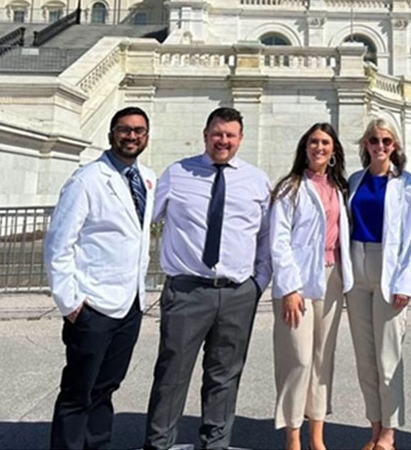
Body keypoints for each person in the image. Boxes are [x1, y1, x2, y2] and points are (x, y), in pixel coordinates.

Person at [144, 106, 272, 450]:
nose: (223, 141)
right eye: (217, 134)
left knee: (224, 376)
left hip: (236, 293)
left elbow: (265, 237)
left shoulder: (256, 180)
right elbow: (142, 223)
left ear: (241, 139)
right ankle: (159, 444)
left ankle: (215, 444)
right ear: (205, 135)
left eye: (230, 135)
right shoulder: (177, 173)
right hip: (188, 290)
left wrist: (258, 283)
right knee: (172, 375)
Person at [45, 106, 155, 450]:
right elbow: (58, 244)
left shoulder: (147, 179)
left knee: (106, 389)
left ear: (147, 137)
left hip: (129, 304)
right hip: (92, 306)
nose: (131, 136)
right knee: (78, 391)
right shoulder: (87, 179)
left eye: (138, 130)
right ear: (111, 134)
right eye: (124, 130)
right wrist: (71, 303)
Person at [270, 123, 354, 450]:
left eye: (325, 143)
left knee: (322, 359)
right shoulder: (290, 187)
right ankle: (293, 434)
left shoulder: (340, 189)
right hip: (299, 282)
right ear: (305, 147)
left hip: (333, 277)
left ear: (334, 152)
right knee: (298, 358)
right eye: (314, 142)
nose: (319, 147)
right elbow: (278, 242)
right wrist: (290, 288)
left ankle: (317, 435)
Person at [346, 118, 411, 450]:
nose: (380, 146)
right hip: (357, 269)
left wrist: (406, 281)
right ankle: (374, 427)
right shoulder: (354, 180)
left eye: (386, 141)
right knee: (365, 357)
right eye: (374, 140)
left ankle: (390, 432)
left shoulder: (406, 183)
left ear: (395, 146)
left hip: (388, 270)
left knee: (388, 355)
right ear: (366, 144)